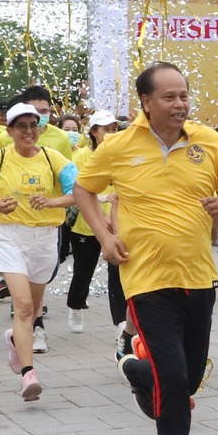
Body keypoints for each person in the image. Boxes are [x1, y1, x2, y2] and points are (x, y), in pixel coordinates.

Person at [71, 62, 218, 435]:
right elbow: (84, 189)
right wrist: (104, 237)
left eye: (184, 95)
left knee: (188, 381)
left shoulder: (208, 141)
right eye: (169, 97)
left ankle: (137, 371)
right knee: (174, 384)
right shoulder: (117, 146)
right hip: (146, 280)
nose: (180, 104)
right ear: (146, 103)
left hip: (198, 277)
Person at [0, 102, 77, 399]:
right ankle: (29, 375)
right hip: (8, 236)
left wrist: (52, 202)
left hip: (45, 238)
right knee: (24, 306)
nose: (29, 132)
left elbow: (77, 192)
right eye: (22, 127)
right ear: (11, 131)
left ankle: (16, 341)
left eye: (34, 125)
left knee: (33, 308)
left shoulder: (54, 158)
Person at [61, 111, 125, 337]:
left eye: (113, 129)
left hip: (117, 223)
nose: (110, 134)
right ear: (94, 132)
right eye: (105, 129)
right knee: (83, 271)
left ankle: (121, 323)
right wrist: (101, 212)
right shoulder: (81, 157)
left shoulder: (122, 156)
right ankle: (75, 306)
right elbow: (80, 191)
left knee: (117, 273)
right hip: (87, 225)